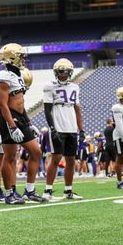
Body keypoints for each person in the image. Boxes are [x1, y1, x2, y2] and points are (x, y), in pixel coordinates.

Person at [0, 44, 45, 204]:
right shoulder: (4, 76)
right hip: (9, 118)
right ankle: (10, 193)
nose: (23, 59)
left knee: (36, 152)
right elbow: (3, 104)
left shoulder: (17, 75)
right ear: (12, 57)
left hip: (20, 117)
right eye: (20, 56)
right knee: (11, 157)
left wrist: (28, 122)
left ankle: (29, 191)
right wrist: (12, 125)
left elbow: (20, 102)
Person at [43, 58, 85, 201]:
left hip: (71, 128)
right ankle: (47, 191)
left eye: (65, 72)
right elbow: (47, 110)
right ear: (56, 73)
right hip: (58, 127)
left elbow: (77, 109)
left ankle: (68, 191)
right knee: (55, 158)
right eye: (60, 72)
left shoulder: (75, 87)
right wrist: (52, 128)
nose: (62, 75)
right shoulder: (50, 86)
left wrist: (81, 130)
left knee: (71, 160)